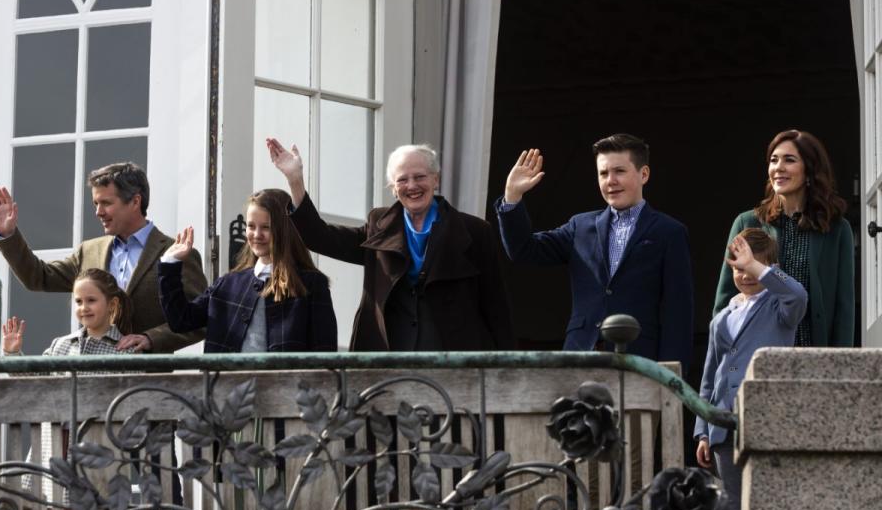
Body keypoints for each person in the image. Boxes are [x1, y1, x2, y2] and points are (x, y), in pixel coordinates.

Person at [267, 138, 513, 351]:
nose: (412, 186)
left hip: (453, 357)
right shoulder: (379, 225)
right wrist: (295, 180)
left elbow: (496, 306)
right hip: (388, 355)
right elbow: (320, 237)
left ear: (435, 180)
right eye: (402, 180)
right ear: (393, 189)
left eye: (420, 177)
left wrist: (505, 370)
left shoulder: (474, 231)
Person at [495, 134, 693, 370]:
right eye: (603, 173)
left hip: (641, 361)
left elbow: (678, 311)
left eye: (619, 171)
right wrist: (512, 196)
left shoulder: (669, 231)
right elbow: (524, 250)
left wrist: (671, 373)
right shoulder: (580, 226)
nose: (610, 181)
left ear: (644, 174)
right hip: (581, 356)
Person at [0, 162, 207, 353]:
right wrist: (8, 235)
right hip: (91, 380)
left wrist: (152, 338)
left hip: (149, 382)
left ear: (135, 202)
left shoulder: (177, 254)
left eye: (106, 203)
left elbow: (200, 321)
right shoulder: (89, 251)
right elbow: (38, 277)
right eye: (95, 203)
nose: (98, 212)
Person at [696, 228, 808, 510]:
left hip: (765, 421)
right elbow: (708, 379)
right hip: (723, 428)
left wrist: (759, 269)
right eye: (737, 267)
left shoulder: (780, 308)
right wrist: (702, 430)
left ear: (769, 267)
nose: (743, 274)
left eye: (751, 266)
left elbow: (797, 293)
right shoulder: (721, 319)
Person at [713, 129, 854, 347]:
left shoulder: (837, 229)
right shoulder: (746, 223)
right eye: (773, 160)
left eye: (789, 160)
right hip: (757, 356)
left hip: (815, 357)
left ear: (810, 170)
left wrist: (842, 365)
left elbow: (844, 307)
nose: (778, 167)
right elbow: (725, 301)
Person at [158, 189, 337, 352]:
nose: (256, 234)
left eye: (266, 227)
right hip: (227, 387)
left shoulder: (311, 284)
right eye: (251, 226)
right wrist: (169, 264)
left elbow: (325, 352)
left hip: (285, 387)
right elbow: (181, 320)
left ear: (284, 230)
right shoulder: (227, 284)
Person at [1, 268, 137, 357]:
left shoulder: (128, 351)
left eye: (91, 300)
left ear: (112, 304)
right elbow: (38, 381)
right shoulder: (61, 345)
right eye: (79, 301)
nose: (84, 307)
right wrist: (12, 352)